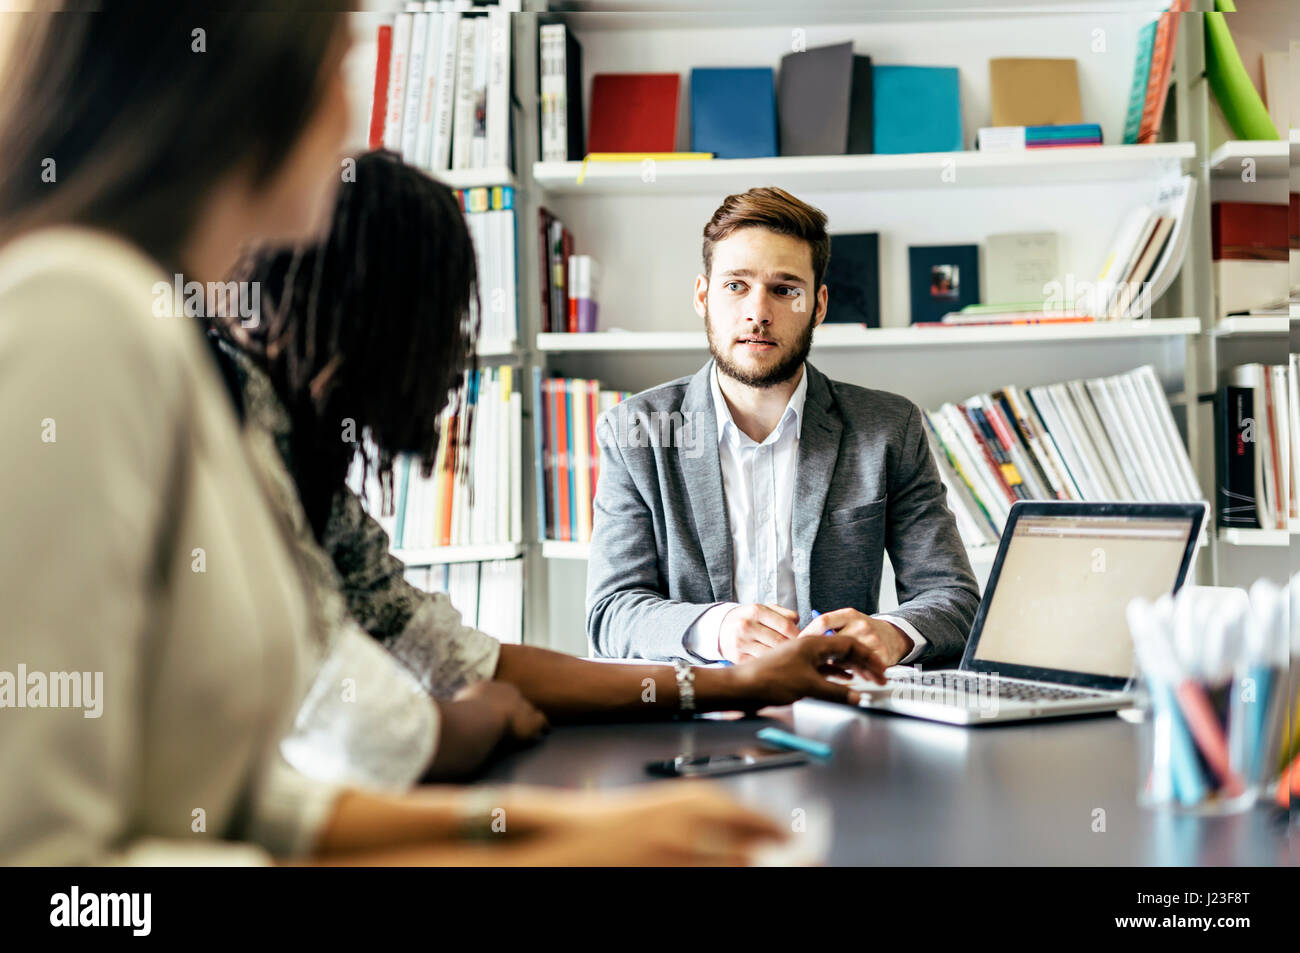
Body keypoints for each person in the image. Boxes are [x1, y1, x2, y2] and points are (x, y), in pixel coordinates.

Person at [0, 3, 786, 866]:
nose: (353, 120)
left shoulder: (181, 362)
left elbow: (268, 812)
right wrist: (531, 856)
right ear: (250, 94)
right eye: (341, 73)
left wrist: (558, 829)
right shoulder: (76, 312)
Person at [209, 151, 884, 789]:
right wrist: (478, 719)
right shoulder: (229, 426)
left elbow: (448, 652)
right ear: (376, 315)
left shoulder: (307, 462)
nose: (454, 362)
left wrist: (743, 685)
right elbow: (362, 734)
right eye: (444, 322)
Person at [586, 186, 981, 669]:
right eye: (736, 286)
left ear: (817, 305)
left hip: (840, 710)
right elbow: (611, 614)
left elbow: (954, 599)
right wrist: (718, 629)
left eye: (784, 289)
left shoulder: (888, 428)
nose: (758, 313)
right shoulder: (637, 432)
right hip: (699, 714)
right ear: (703, 296)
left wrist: (892, 633)